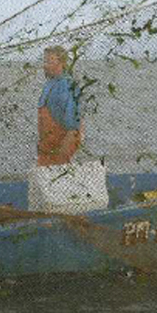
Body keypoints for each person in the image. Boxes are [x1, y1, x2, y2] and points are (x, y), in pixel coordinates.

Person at [28, 46, 107, 214]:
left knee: (56, 183)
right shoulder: (51, 84)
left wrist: (67, 144)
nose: (45, 65)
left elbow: (74, 123)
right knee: (44, 180)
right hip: (48, 146)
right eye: (44, 61)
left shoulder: (66, 85)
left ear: (62, 63)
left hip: (61, 143)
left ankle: (63, 214)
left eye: (50, 61)